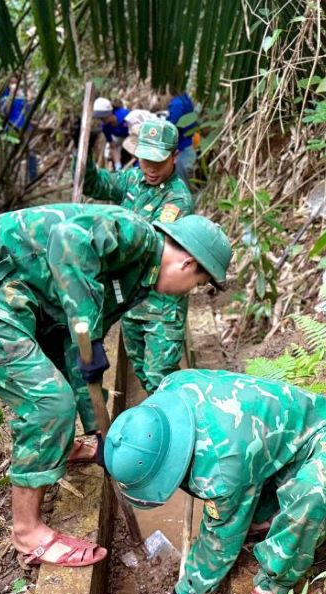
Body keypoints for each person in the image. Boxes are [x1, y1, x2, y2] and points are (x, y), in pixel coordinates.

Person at [0, 206, 232, 569]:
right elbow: (68, 242)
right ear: (188, 264)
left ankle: (64, 447)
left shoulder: (138, 279)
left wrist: (98, 428)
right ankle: (26, 533)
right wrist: (89, 332)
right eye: (198, 284)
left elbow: (78, 351)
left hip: (13, 295)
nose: (189, 291)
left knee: (64, 381)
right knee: (48, 402)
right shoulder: (134, 234)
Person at [103, 370, 326, 594]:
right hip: (274, 449)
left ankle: (271, 589)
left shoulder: (221, 468)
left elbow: (220, 542)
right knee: (240, 511)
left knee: (309, 502)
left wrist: (188, 589)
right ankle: (266, 514)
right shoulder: (171, 389)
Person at [83, 119, 194, 393]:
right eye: (145, 159)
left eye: (158, 161)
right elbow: (98, 185)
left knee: (160, 377)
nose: (151, 168)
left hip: (162, 307)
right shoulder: (132, 178)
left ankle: (178, 428)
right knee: (142, 372)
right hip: (131, 303)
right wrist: (83, 156)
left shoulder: (177, 199)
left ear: (174, 156)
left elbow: (150, 243)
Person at [166, 93, 199, 182]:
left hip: (182, 151)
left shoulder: (177, 103)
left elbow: (172, 125)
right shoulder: (186, 99)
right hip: (187, 146)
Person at [93, 96, 131, 169]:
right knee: (108, 152)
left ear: (109, 113)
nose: (101, 119)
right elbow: (113, 145)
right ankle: (116, 167)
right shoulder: (105, 127)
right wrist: (118, 165)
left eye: (103, 117)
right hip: (119, 137)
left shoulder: (125, 115)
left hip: (132, 134)